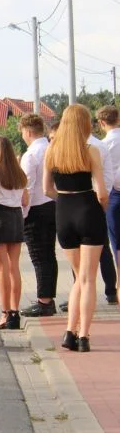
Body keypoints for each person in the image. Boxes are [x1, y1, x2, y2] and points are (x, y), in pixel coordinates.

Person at [45, 104, 110, 352]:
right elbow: (102, 192)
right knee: (87, 279)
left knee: (77, 279)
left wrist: (63, 198)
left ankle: (69, 332)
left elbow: (45, 189)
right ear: (84, 124)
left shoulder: (52, 151)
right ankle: (83, 336)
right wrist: (99, 208)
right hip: (87, 208)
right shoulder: (90, 150)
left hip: (64, 211)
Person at [18, 114, 58, 317]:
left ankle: (44, 301)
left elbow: (28, 187)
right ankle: (49, 296)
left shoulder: (31, 155)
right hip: (53, 205)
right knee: (49, 254)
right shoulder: (52, 148)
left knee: (38, 255)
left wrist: (23, 215)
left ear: (27, 131)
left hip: (35, 209)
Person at [0, 136, 29, 330]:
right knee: (14, 267)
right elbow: (26, 201)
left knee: (1, 268)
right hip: (16, 218)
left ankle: (4, 313)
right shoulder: (19, 173)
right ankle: (14, 312)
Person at [98, 105, 120, 293]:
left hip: (114, 194)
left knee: (116, 241)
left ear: (101, 123)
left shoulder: (103, 145)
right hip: (114, 193)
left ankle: (117, 283)